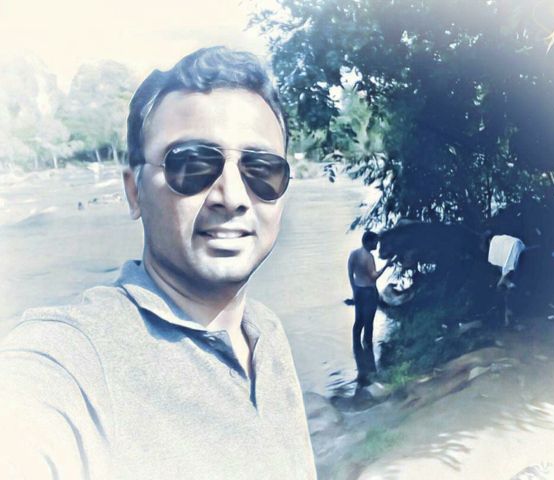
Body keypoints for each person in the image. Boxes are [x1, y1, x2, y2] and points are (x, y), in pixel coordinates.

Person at [0, 47, 316, 479]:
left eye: (261, 170)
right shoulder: (74, 358)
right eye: (192, 164)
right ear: (134, 192)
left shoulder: (267, 332)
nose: (232, 197)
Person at [347, 231, 390, 383]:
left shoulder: (354, 254)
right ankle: (368, 357)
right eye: (375, 242)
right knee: (369, 323)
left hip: (358, 290)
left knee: (358, 322)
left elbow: (350, 273)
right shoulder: (368, 257)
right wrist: (386, 266)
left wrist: (354, 290)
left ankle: (357, 353)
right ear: (368, 242)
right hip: (369, 292)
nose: (377, 245)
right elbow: (373, 276)